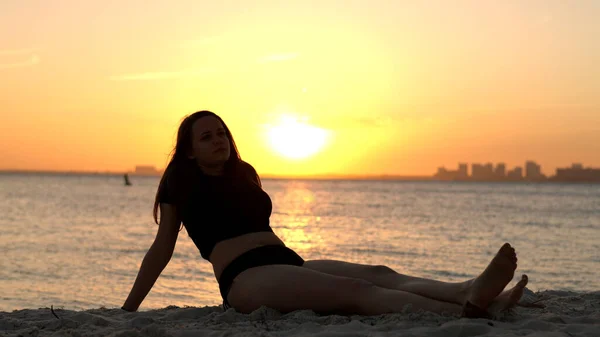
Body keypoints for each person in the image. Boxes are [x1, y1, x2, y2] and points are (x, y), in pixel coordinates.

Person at [122, 110, 529, 318]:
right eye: (207, 137)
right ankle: (470, 312)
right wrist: (128, 312)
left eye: (223, 132)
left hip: (284, 262)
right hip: (245, 280)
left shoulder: (244, 173)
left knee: (379, 273)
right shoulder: (180, 179)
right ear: (190, 149)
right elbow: (162, 249)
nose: (219, 141)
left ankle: (469, 289)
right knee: (358, 295)